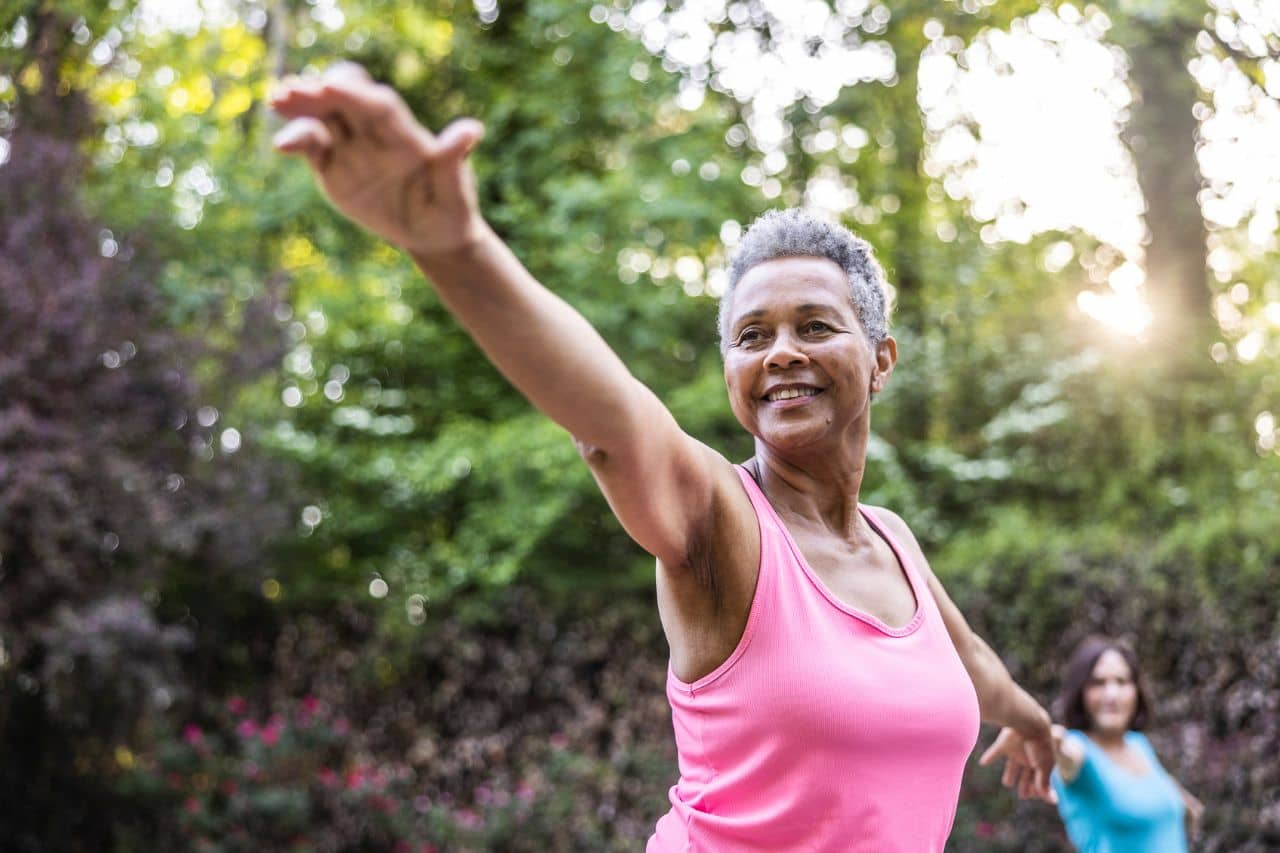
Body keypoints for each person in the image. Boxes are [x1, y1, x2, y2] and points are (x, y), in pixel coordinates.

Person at [270, 61, 1057, 852]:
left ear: (881, 359)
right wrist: (455, 247)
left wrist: (1029, 719)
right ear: (730, 371)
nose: (781, 351)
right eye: (752, 335)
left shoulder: (892, 540)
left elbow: (970, 664)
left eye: (815, 326)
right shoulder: (722, 520)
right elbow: (611, 420)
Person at [1050, 636, 1205, 852]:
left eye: (1122, 682)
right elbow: (1066, 754)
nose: (1112, 694)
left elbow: (1146, 790)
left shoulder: (1138, 744)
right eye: (1098, 683)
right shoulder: (1079, 748)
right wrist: (1048, 736)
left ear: (1136, 691)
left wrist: (1183, 804)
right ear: (1080, 692)